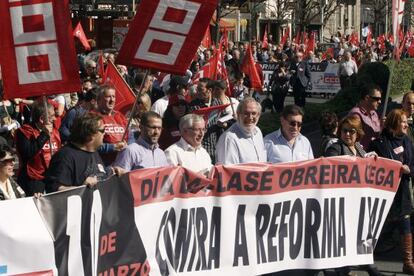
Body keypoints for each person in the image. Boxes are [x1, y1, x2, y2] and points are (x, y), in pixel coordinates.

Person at [368, 109, 414, 275]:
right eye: (402, 121)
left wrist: (409, 170)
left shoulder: (407, 141)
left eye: (406, 121)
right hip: (385, 194)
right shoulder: (379, 143)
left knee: (405, 224)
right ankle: (366, 258)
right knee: (381, 227)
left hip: (402, 193)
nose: (406, 124)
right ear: (394, 123)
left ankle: (408, 262)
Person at [45, 113, 115, 193]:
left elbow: (99, 174)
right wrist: (81, 187)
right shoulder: (65, 157)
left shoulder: (93, 151)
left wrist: (112, 171)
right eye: (102, 130)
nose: (105, 133)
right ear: (90, 135)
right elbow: (53, 191)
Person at [15, 100, 61, 196]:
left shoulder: (55, 131)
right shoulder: (25, 132)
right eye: (52, 116)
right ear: (41, 119)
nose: (55, 119)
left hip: (52, 178)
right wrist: (44, 135)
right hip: (33, 180)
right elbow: (27, 153)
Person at [216, 97, 266, 165]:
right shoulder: (229, 139)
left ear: (259, 115)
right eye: (246, 113)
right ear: (238, 114)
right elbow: (228, 171)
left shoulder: (258, 132)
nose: (250, 117)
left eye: (253, 113)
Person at [94, 85, 127, 165]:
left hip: (121, 163)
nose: (112, 100)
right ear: (98, 100)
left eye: (113, 96)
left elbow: (130, 136)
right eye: (108, 97)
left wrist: (128, 145)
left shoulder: (120, 116)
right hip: (102, 164)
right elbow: (91, 144)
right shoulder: (93, 117)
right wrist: (113, 147)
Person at [348, 84, 382, 150]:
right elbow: (352, 140)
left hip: (374, 153)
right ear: (367, 98)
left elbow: (377, 135)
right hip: (363, 155)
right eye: (377, 99)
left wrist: (383, 126)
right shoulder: (356, 115)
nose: (380, 102)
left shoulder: (374, 113)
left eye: (380, 99)